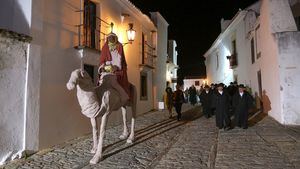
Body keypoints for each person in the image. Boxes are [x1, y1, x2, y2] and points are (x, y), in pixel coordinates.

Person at [98, 32, 130, 104]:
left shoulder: (119, 46)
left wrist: (116, 67)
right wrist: (102, 67)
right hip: (106, 70)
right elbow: (102, 61)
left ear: (115, 38)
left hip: (117, 70)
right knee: (101, 81)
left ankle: (124, 96)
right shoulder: (105, 47)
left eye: (112, 38)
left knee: (114, 82)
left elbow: (120, 60)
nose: (110, 39)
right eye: (109, 38)